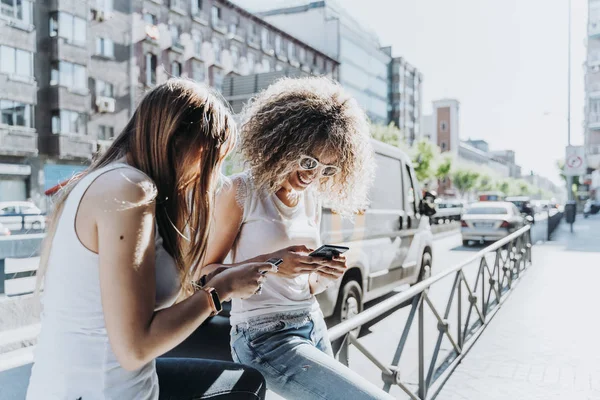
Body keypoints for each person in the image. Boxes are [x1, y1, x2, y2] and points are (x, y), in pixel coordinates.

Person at [27, 79, 272, 400]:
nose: (215, 175)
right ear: (191, 144)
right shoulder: (128, 190)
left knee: (246, 383)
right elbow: (135, 348)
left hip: (108, 383)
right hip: (94, 391)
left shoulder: (117, 182)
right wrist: (220, 291)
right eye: (216, 159)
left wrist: (215, 278)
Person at [203, 77, 394, 400]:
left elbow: (303, 285)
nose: (313, 175)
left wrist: (322, 275)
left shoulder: (311, 199)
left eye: (328, 169)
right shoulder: (241, 191)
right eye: (308, 161)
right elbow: (205, 274)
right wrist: (275, 264)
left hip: (312, 321)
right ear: (282, 143)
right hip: (263, 337)